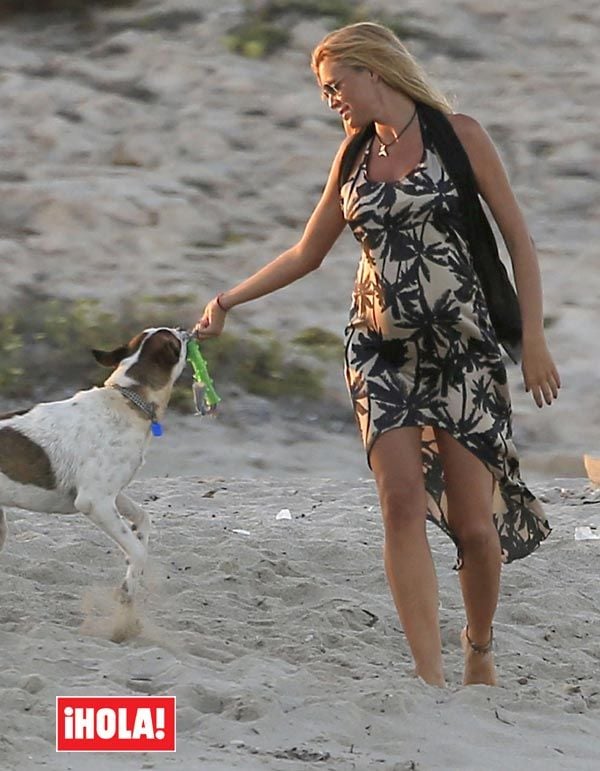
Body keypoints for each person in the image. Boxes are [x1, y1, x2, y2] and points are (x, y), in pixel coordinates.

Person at [194, 22, 560, 687]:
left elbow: (519, 240)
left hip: (463, 353)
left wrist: (532, 337)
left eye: (336, 85)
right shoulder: (352, 158)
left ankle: (477, 644)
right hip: (378, 351)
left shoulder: (460, 136)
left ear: (373, 72)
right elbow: (307, 253)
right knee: (399, 501)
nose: (331, 99)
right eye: (324, 90)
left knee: (476, 529)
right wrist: (228, 299)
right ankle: (429, 677)